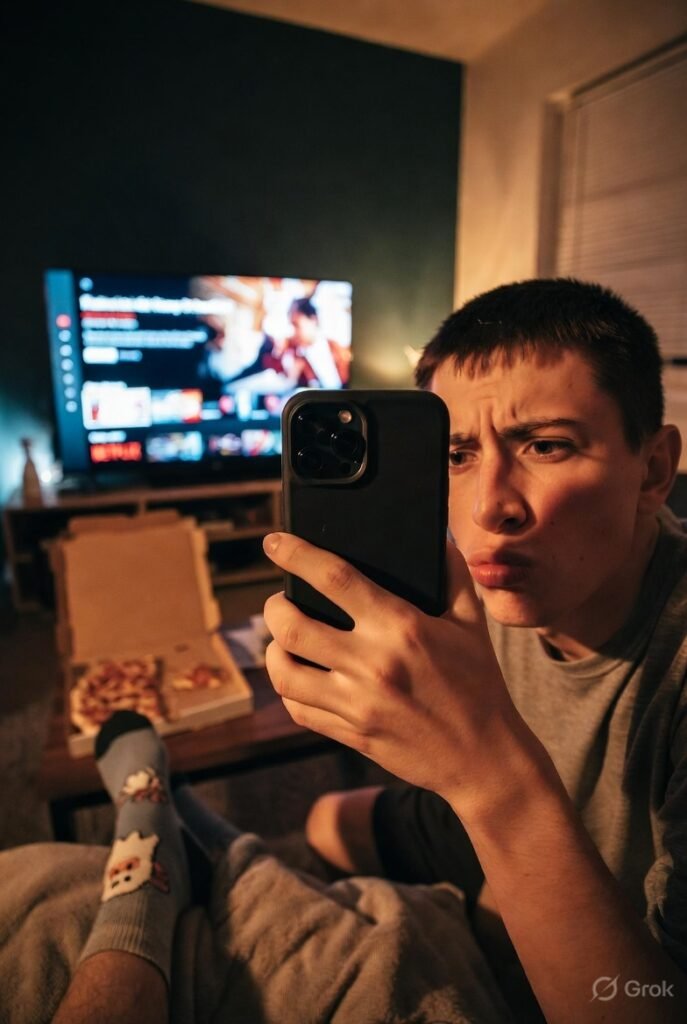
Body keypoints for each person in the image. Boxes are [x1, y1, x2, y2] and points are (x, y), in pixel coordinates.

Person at [261, 278, 687, 1023]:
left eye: (545, 446)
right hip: (483, 815)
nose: (490, 508)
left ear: (652, 471)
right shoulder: (470, 592)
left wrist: (489, 779)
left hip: (551, 842)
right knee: (323, 821)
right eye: (455, 454)